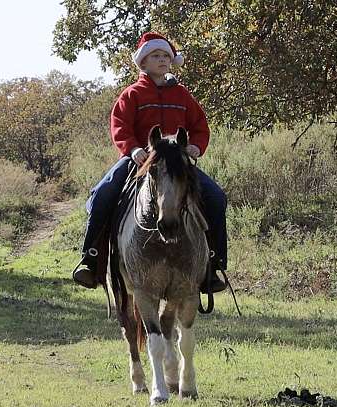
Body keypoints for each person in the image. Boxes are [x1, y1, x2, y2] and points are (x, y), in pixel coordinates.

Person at [72, 31, 227, 293]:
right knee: (102, 194)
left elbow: (200, 126)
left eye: (166, 55)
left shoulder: (182, 95)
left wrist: (195, 147)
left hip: (178, 164)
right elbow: (119, 126)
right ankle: (91, 259)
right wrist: (132, 149)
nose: (162, 59)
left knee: (215, 197)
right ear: (143, 62)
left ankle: (214, 265)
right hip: (140, 160)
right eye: (156, 55)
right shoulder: (132, 94)